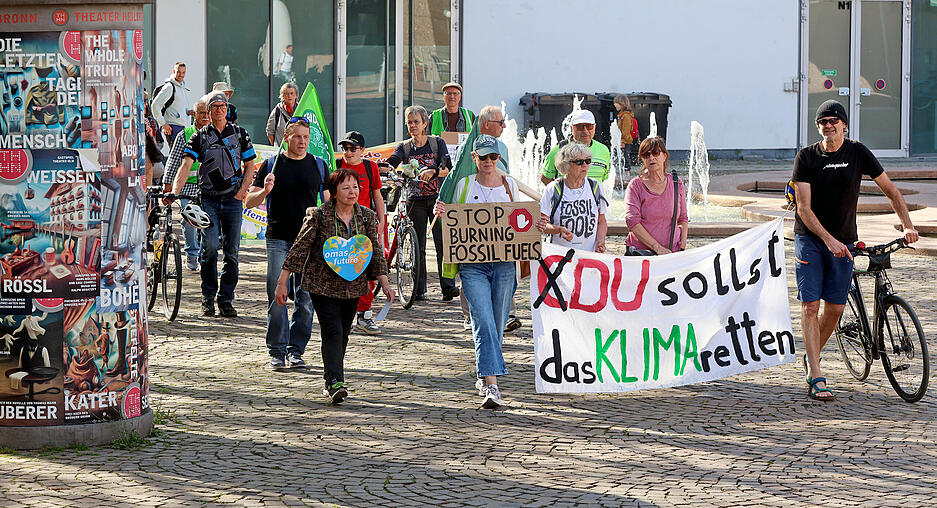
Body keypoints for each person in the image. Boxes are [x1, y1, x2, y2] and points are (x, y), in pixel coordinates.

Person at [791, 100, 918, 401]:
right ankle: (816, 374)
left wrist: (908, 225)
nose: (829, 125)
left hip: (845, 240)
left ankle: (812, 358)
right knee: (811, 306)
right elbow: (804, 209)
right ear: (818, 127)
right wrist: (828, 241)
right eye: (823, 121)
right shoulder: (806, 157)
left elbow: (890, 189)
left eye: (835, 120)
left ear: (845, 125)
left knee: (834, 308)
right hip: (810, 239)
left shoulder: (858, 153)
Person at [276, 168, 394, 404]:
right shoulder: (318, 215)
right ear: (333, 192)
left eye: (355, 187)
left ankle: (331, 376)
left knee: (343, 333)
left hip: (354, 285)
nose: (352, 192)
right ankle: (335, 382)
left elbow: (376, 252)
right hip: (323, 284)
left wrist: (384, 281)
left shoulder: (367, 217)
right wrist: (282, 280)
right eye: (346, 187)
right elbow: (299, 248)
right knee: (333, 330)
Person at [433, 135, 518, 409]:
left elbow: (520, 222)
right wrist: (442, 211)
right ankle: (492, 386)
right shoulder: (464, 185)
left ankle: (484, 373)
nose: (489, 162)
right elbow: (453, 222)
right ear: (474, 158)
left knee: (496, 320)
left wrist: (535, 223)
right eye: (483, 157)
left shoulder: (510, 185)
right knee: (482, 319)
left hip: (505, 263)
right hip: (473, 264)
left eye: (493, 157)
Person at [245, 118, 329, 370]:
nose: (302, 142)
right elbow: (248, 201)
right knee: (277, 295)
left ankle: (296, 350)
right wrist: (264, 192)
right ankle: (277, 350)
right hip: (278, 237)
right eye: (297, 137)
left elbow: (327, 203)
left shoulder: (318, 165)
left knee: (305, 298)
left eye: (306, 137)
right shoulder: (272, 165)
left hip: (309, 240)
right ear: (286, 138)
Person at [172, 92, 257, 318]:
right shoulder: (199, 136)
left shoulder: (240, 134)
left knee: (232, 252)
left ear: (227, 109)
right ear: (208, 112)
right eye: (214, 106)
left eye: (223, 106)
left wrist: (242, 192)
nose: (219, 110)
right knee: (209, 248)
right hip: (208, 198)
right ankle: (208, 297)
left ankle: (226, 299)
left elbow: (250, 164)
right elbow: (186, 164)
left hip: (232, 199)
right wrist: (174, 191)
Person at [384, 105, 458, 302]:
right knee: (419, 246)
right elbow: (393, 160)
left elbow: (447, 168)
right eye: (409, 122)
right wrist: (385, 167)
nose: (412, 126)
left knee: (443, 243)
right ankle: (419, 288)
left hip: (437, 199)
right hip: (414, 200)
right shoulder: (405, 147)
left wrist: (432, 171)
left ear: (425, 123)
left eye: (416, 122)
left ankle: (448, 287)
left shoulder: (437, 143)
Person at [336, 131, 387, 334]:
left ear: (362, 151)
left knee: (367, 268)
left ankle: (364, 315)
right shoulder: (337, 166)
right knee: (341, 266)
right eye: (345, 148)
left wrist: (382, 220)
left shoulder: (370, 167)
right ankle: (343, 313)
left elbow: (377, 194)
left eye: (352, 149)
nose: (348, 152)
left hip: (365, 224)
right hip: (340, 223)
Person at [161, 98, 211, 271]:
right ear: (194, 114)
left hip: (207, 188)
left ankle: (206, 258)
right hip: (187, 188)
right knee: (189, 218)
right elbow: (174, 161)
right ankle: (191, 255)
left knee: (208, 222)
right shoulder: (185, 134)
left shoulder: (215, 133)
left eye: (207, 113)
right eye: (201, 113)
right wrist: (168, 185)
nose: (205, 116)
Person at [537, 142, 608, 253]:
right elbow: (542, 225)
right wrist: (558, 230)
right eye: (579, 162)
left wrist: (600, 241)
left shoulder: (596, 187)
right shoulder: (553, 189)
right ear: (566, 165)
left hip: (589, 256)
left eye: (587, 161)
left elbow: (601, 221)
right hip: (560, 256)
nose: (585, 165)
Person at [624, 136, 688, 255]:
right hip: (642, 254)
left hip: (672, 253)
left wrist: (682, 245)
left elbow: (683, 218)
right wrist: (657, 248)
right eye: (646, 155)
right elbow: (632, 221)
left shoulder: (676, 183)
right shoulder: (635, 185)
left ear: (664, 155)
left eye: (655, 153)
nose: (651, 157)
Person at [541, 109, 611, 185]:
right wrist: (560, 193)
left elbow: (602, 179)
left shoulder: (604, 150)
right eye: (580, 127)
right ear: (572, 128)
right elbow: (545, 178)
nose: (585, 131)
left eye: (589, 126)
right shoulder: (559, 150)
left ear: (595, 127)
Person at [150, 62, 192, 145]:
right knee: (177, 155)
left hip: (181, 127)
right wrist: (163, 124)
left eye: (183, 72)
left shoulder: (181, 87)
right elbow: (155, 105)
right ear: (173, 71)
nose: (181, 75)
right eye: (178, 72)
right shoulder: (169, 87)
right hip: (172, 127)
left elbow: (177, 107)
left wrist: (188, 111)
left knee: (180, 155)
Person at [613, 94, 640, 184]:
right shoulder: (621, 115)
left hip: (626, 140)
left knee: (626, 156)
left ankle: (627, 173)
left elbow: (626, 130)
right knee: (622, 156)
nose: (614, 105)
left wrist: (623, 141)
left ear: (622, 104)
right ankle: (624, 171)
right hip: (622, 139)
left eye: (616, 103)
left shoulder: (626, 116)